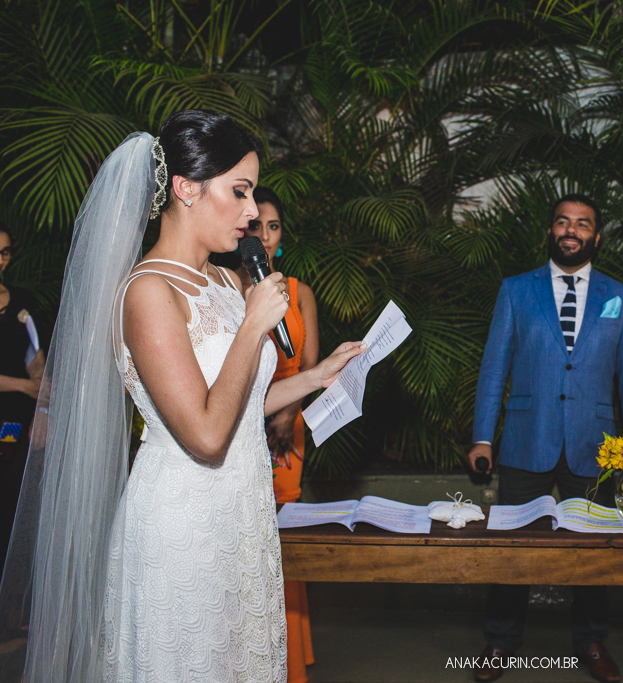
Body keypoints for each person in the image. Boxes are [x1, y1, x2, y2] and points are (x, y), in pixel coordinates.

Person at [0, 110, 364, 683]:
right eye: (240, 192)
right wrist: (250, 328)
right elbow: (204, 432)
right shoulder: (147, 292)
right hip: (183, 524)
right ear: (186, 188)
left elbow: (238, 405)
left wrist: (316, 378)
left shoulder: (224, 279)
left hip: (241, 513)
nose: (252, 211)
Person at [466, 194, 623, 683]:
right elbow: (493, 369)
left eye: (583, 224)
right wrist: (482, 437)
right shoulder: (515, 291)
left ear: (596, 235)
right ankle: (500, 640)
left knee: (592, 552)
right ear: (550, 230)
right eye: (563, 222)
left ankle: (591, 642)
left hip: (597, 446)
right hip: (527, 438)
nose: (572, 230)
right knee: (512, 547)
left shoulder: (621, 296)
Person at [235, 186, 319, 683]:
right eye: (257, 226)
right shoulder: (229, 286)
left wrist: (289, 413)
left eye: (274, 227)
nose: (266, 235)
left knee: (287, 537)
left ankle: (291, 660)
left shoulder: (301, 292)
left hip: (292, 420)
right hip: (241, 417)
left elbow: (308, 364)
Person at [0, 226, 45, 569]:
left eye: (4, 252)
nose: (0, 260)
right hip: (16, 397)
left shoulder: (21, 303)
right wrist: (23, 386)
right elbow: (27, 382)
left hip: (12, 421)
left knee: (9, 500)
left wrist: (40, 399)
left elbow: (36, 359)